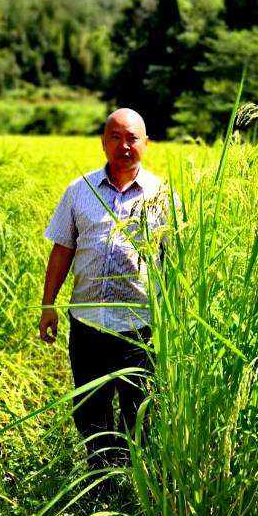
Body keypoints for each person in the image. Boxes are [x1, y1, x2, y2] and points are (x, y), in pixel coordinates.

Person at [39, 108, 171, 472]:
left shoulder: (163, 196)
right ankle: (100, 480)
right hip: (89, 325)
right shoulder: (78, 191)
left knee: (140, 415)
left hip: (140, 327)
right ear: (103, 142)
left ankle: (135, 487)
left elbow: (174, 263)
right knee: (91, 412)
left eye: (132, 138)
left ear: (146, 143)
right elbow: (62, 250)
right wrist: (47, 305)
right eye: (115, 137)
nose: (124, 145)